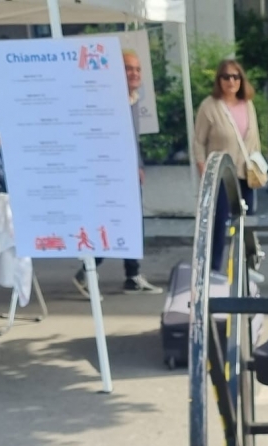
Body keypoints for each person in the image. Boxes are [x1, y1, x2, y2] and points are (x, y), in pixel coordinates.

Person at [73, 49, 161, 298]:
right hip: (109, 174)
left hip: (128, 172)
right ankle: (86, 271)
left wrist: (138, 165)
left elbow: (132, 139)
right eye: (128, 68)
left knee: (131, 223)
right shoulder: (106, 101)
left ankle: (132, 275)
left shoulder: (133, 99)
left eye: (137, 69)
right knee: (111, 224)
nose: (134, 73)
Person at [194, 60, 262, 274]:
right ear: (219, 80)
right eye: (226, 77)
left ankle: (247, 269)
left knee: (246, 222)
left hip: (245, 174)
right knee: (219, 223)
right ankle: (213, 270)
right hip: (221, 175)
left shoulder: (247, 105)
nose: (231, 81)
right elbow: (198, 142)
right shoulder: (209, 106)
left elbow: (254, 140)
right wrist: (203, 169)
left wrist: (258, 166)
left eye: (235, 76)